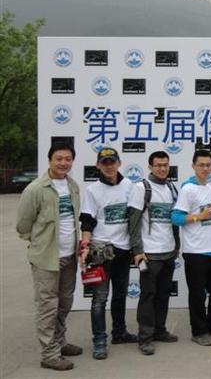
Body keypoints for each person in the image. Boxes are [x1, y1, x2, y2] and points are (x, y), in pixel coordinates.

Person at [16, 142, 81, 371]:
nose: (63, 163)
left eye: (68, 159)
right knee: (48, 307)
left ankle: (60, 342)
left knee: (64, 303)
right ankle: (49, 354)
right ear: (50, 160)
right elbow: (23, 225)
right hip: (46, 258)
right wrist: (39, 244)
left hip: (70, 256)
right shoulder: (35, 189)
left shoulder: (72, 186)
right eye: (59, 159)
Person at [79, 148, 136, 360]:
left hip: (123, 250)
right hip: (101, 251)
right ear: (98, 166)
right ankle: (99, 340)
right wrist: (85, 246)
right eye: (105, 163)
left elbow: (135, 216)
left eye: (112, 162)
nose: (109, 166)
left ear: (119, 163)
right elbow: (87, 220)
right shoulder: (92, 190)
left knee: (120, 295)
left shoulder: (129, 186)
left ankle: (119, 333)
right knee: (100, 298)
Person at [171, 150, 211, 347]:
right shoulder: (188, 189)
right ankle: (199, 331)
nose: (205, 168)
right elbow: (176, 218)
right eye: (201, 165)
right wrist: (199, 217)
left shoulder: (208, 187)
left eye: (208, 165)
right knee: (197, 294)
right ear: (193, 166)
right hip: (195, 252)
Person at [128, 151, 180, 356]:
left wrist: (176, 246)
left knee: (163, 294)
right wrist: (137, 250)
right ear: (150, 166)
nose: (162, 168)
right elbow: (133, 222)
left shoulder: (171, 188)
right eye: (158, 165)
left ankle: (159, 330)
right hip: (149, 253)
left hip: (168, 252)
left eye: (165, 165)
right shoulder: (141, 188)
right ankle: (145, 338)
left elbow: (174, 220)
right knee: (148, 296)